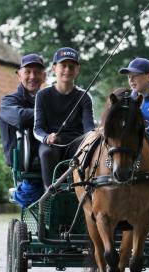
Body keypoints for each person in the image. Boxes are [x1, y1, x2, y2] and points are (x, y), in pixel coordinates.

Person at [34, 47, 95, 188]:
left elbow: (89, 129)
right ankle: (50, 195)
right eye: (63, 65)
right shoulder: (42, 95)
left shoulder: (84, 96)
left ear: (77, 69)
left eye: (71, 66)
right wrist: (46, 137)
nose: (67, 70)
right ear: (54, 68)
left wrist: (94, 136)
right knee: (47, 152)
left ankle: (85, 191)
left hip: (77, 143)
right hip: (53, 142)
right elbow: (37, 128)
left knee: (91, 150)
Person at [0, 53, 46, 166]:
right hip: (25, 168)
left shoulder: (49, 100)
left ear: (44, 76)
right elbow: (21, 118)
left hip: (52, 163)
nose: (33, 76)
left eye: (37, 72)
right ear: (19, 75)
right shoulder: (8, 102)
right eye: (28, 72)